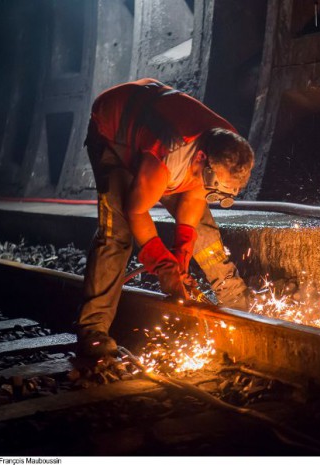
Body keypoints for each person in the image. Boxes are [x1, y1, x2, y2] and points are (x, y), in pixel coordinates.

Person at [76, 78, 254, 359]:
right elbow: (137, 210)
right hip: (113, 135)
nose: (211, 191)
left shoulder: (227, 146)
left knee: (202, 228)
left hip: (155, 141)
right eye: (212, 183)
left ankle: (237, 301)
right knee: (117, 235)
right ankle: (93, 332)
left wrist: (182, 250)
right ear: (201, 160)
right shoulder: (168, 155)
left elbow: (196, 196)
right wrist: (162, 264)